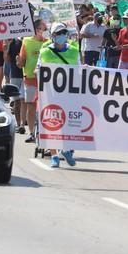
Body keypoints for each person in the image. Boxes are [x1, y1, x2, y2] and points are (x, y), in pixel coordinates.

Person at [37, 22, 80, 168]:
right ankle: (54, 155)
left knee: (68, 123)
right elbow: (38, 70)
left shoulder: (74, 52)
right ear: (53, 36)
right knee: (52, 124)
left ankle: (66, 150)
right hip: (50, 94)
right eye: (58, 34)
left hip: (69, 94)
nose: (61, 36)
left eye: (63, 33)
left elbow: (79, 70)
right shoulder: (45, 52)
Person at [17, 18, 49, 144]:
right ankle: (31, 132)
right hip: (30, 78)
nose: (43, 31)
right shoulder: (26, 41)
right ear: (35, 29)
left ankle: (44, 132)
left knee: (44, 107)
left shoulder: (48, 42)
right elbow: (22, 61)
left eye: (45, 29)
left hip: (46, 80)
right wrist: (19, 62)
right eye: (41, 28)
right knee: (31, 105)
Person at [6, 37, 26, 134]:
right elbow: (7, 59)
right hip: (15, 75)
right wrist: (6, 47)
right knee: (17, 101)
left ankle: (23, 123)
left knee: (25, 101)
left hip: (27, 75)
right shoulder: (13, 42)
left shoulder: (29, 41)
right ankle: (19, 125)